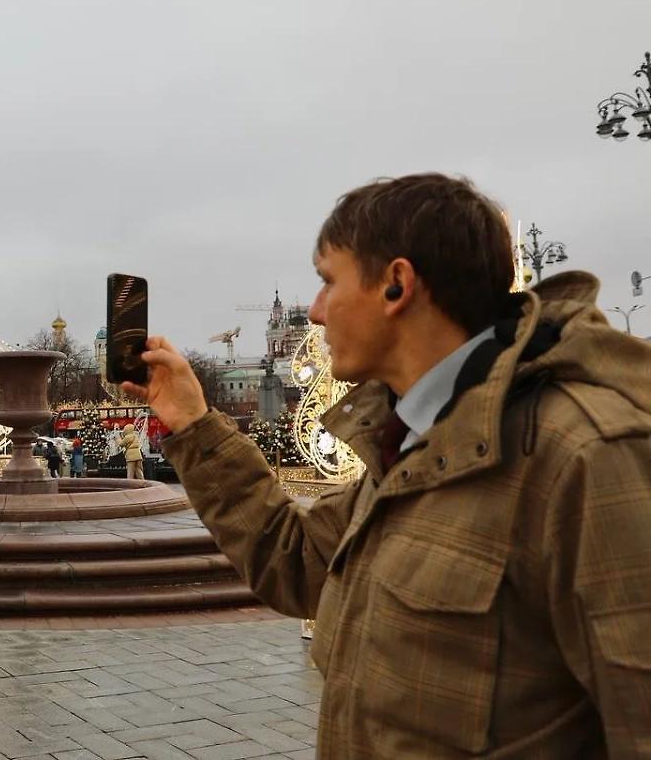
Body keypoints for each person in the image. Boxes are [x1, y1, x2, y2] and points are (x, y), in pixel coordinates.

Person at [123, 173, 651, 758]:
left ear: (396, 286)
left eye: (328, 282)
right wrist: (194, 423)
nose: (316, 313)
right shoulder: (421, 440)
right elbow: (294, 560)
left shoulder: (589, 455)